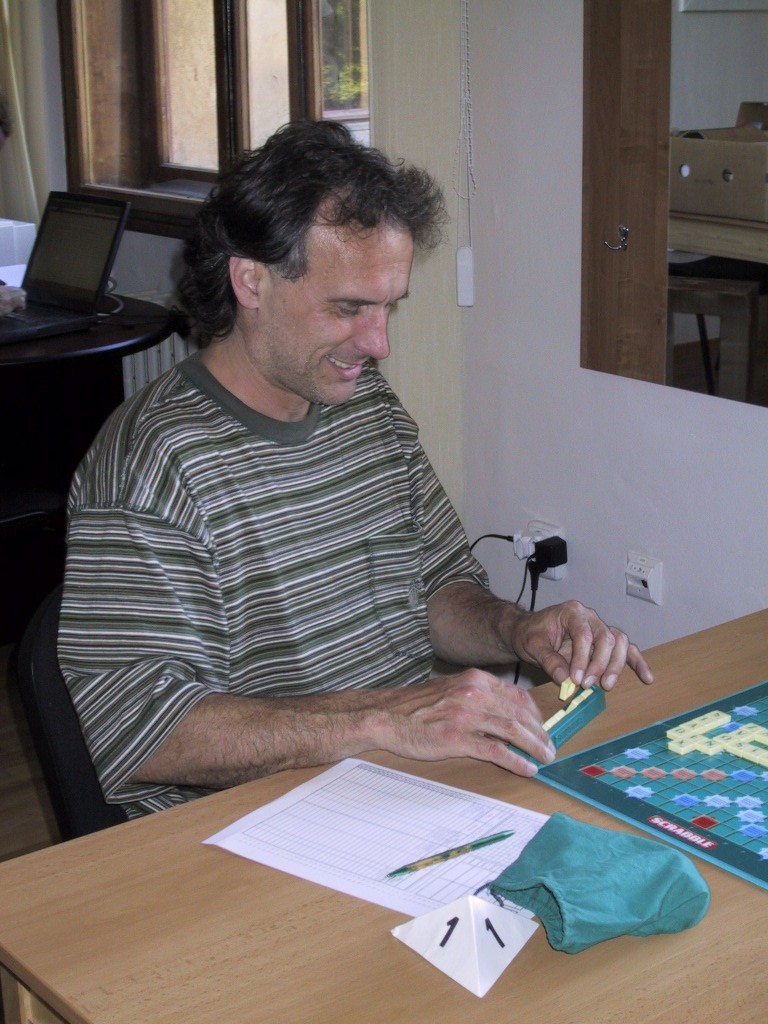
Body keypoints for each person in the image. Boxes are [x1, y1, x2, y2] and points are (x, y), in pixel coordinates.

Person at [58, 121, 653, 819]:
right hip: (245, 826)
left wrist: (516, 630)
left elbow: (437, 588)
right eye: (349, 308)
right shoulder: (153, 464)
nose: (379, 343)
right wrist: (384, 719)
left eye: (388, 306)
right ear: (251, 280)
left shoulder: (364, 405)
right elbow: (134, 731)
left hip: (394, 791)